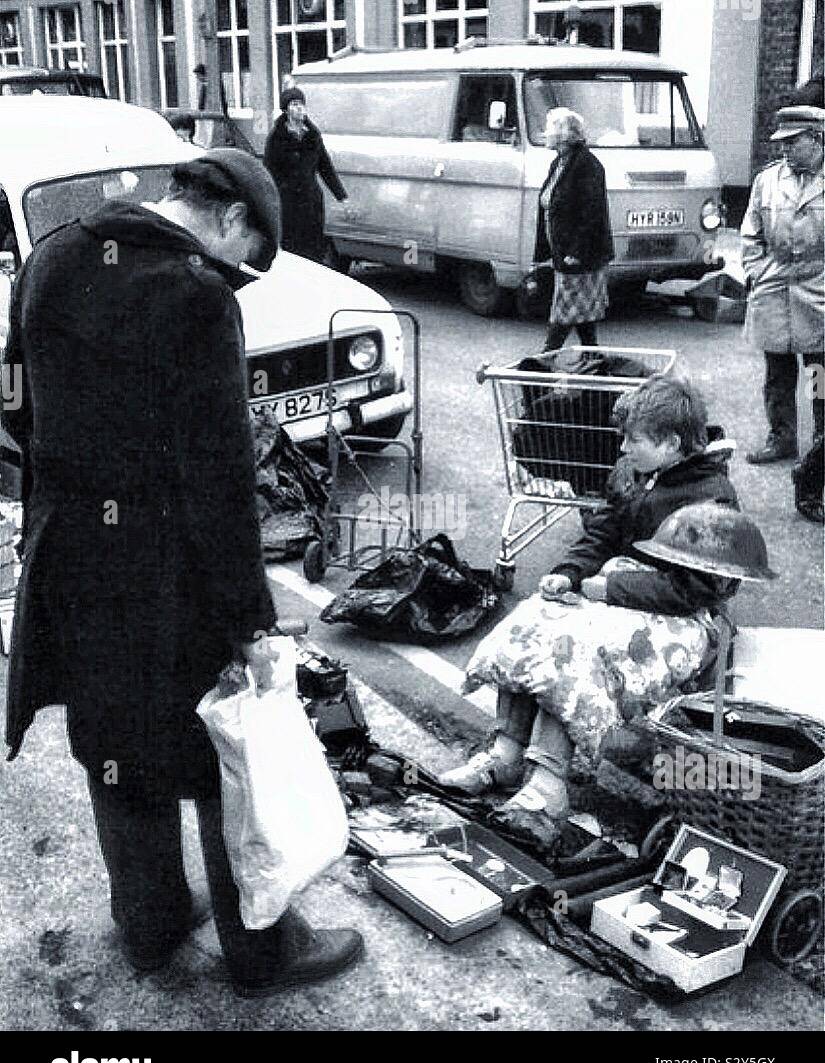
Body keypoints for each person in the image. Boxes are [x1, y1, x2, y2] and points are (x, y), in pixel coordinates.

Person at [2, 148, 363, 997]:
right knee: (215, 750)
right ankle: (261, 955)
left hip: (72, 557)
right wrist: (251, 619)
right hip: (166, 569)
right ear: (233, 218)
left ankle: (150, 927)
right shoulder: (194, 296)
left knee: (114, 742)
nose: (233, 277)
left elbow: (13, 397)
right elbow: (218, 478)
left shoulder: (53, 253)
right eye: (243, 261)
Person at [440, 374, 740, 847]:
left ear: (671, 443)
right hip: (617, 596)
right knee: (534, 621)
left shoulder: (711, 496)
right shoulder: (638, 476)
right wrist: (568, 573)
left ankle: (548, 782)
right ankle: (505, 754)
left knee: (575, 649)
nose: (622, 448)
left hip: (684, 619)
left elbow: (700, 587)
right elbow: (600, 534)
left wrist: (610, 589)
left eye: (633, 439)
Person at [741, 104, 824, 464]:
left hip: (820, 286)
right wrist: (756, 271)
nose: (784, 149)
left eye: (793, 142)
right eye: (782, 143)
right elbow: (750, 233)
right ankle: (782, 438)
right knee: (777, 373)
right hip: (774, 284)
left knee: (819, 373)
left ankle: (823, 441)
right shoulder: (768, 180)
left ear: (817, 138)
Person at [533, 107, 614, 354]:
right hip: (564, 254)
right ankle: (595, 366)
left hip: (580, 257)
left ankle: (539, 370)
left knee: (563, 316)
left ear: (564, 134)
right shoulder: (559, 162)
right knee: (584, 320)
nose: (545, 133)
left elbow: (592, 213)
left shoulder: (588, 166)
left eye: (549, 129)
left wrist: (577, 251)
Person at [263, 87, 348, 263]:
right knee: (292, 251)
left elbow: (326, 167)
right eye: (295, 104)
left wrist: (342, 197)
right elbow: (268, 172)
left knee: (314, 250)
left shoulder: (313, 135)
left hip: (311, 203)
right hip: (288, 204)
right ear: (286, 110)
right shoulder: (276, 138)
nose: (300, 108)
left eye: (302, 104)